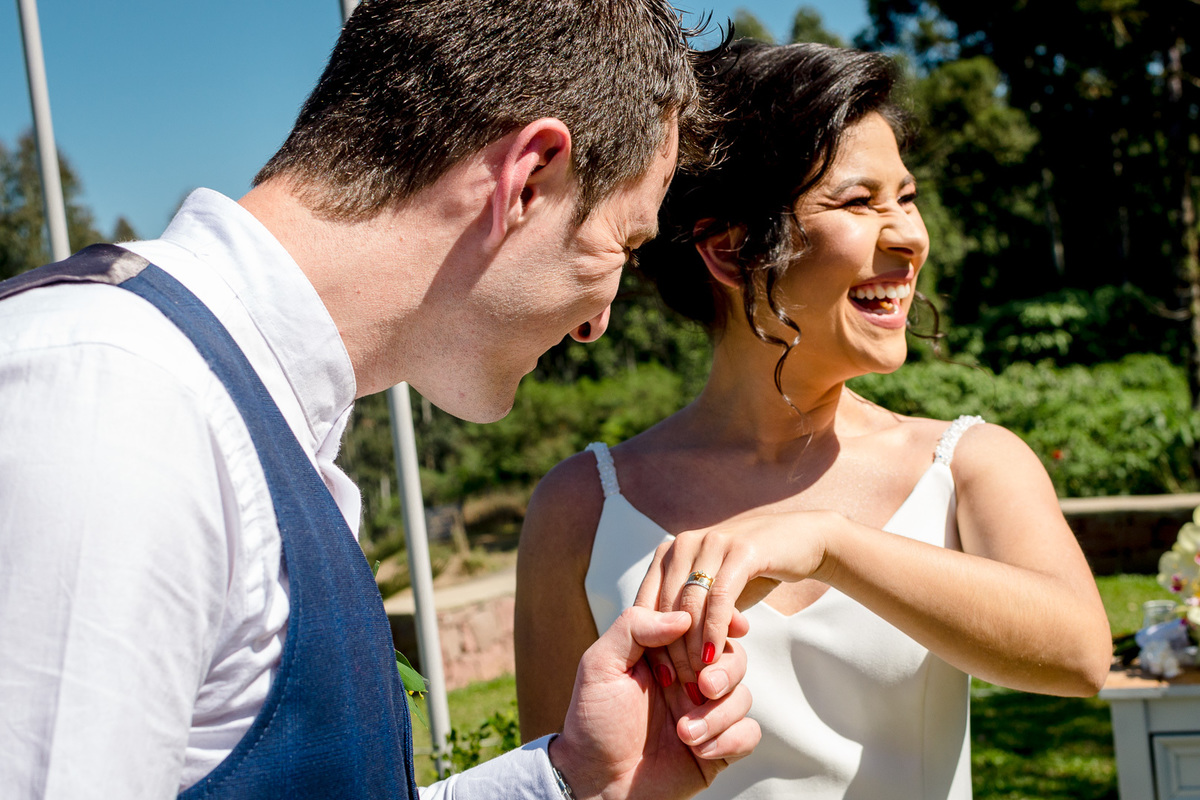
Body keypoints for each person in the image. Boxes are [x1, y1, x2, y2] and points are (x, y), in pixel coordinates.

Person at [0, 1, 763, 798]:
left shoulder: (215, 405)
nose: (598, 323)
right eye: (621, 244)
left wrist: (571, 780)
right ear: (529, 178)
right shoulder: (115, 399)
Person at [514, 40, 1113, 799]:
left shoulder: (968, 464)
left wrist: (828, 544)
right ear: (730, 250)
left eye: (907, 196)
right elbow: (550, 779)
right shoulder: (580, 506)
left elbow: (1081, 654)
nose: (909, 236)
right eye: (860, 203)